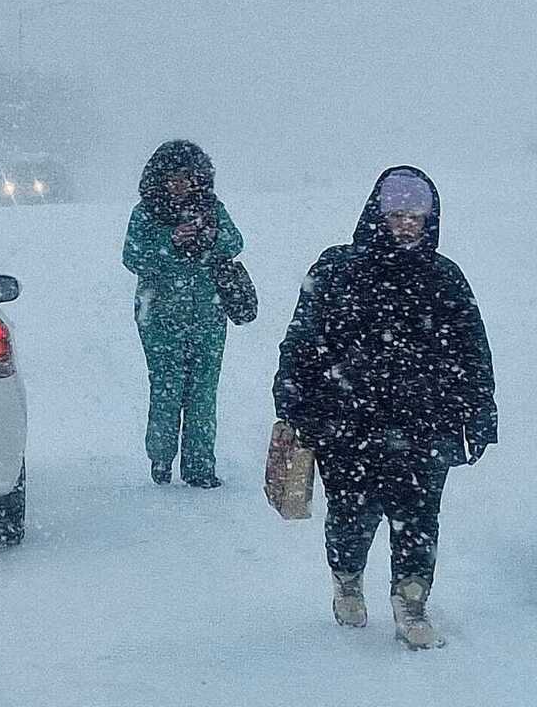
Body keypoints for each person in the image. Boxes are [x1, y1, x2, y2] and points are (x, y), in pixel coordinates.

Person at [272, 165, 497, 650]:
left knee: (418, 514)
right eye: (397, 213)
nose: (407, 224)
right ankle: (347, 577)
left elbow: (471, 351)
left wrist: (480, 412)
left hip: (424, 424)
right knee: (352, 514)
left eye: (417, 215)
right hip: (345, 422)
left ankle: (411, 604)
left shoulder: (444, 278)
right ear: (378, 212)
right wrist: (292, 397)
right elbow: (303, 340)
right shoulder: (335, 269)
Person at [122, 140, 244, 488]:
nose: (179, 185)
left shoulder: (212, 209)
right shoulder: (145, 213)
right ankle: (161, 458)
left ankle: (200, 467)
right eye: (171, 178)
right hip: (158, 315)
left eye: (186, 178)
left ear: (199, 179)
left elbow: (235, 243)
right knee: (167, 386)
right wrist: (170, 241)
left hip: (208, 312)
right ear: (158, 179)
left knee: (204, 390)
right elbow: (133, 257)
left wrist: (211, 235)